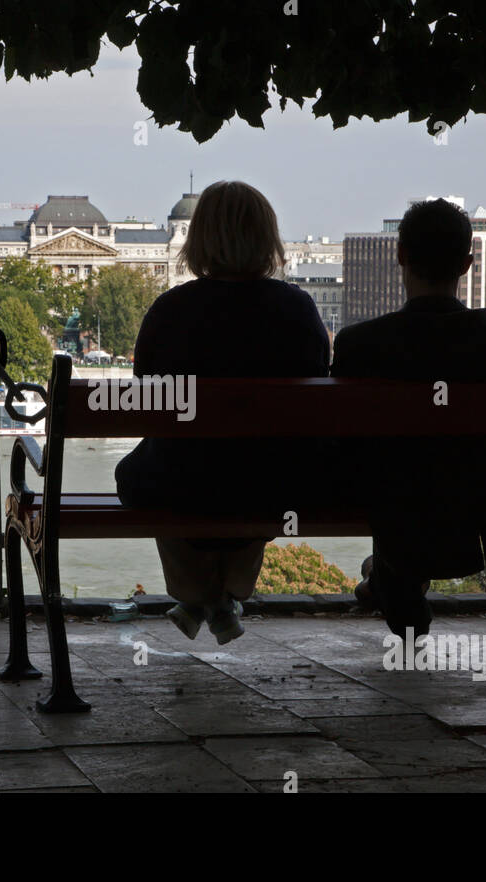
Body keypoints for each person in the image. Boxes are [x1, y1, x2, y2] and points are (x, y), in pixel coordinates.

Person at [114, 180, 330, 645]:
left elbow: (147, 403)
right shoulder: (296, 309)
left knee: (151, 471)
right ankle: (223, 596)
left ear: (198, 242)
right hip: (274, 485)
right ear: (267, 239)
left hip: (181, 482)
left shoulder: (170, 310)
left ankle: (199, 596)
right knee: (258, 469)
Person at [331, 199, 486, 639]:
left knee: (393, 477)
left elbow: (345, 448)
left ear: (400, 256)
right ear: (468, 264)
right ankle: (390, 578)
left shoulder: (360, 343)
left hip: (393, 498)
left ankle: (392, 578)